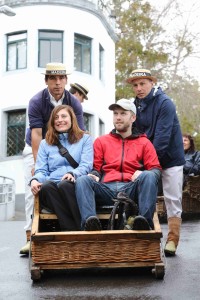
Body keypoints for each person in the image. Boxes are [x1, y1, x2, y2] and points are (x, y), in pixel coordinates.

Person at [20, 62, 85, 254]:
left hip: (65, 146)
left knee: (73, 181)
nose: (57, 83)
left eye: (61, 78)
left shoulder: (74, 102)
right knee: (32, 187)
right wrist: (37, 166)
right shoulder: (36, 101)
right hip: (37, 146)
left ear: (66, 80)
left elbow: (78, 133)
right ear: (46, 80)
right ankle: (30, 236)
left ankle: (74, 228)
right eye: (53, 78)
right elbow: (37, 135)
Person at [75, 99, 161, 231]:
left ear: (133, 117)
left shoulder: (144, 143)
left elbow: (156, 171)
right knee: (83, 180)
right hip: (105, 189)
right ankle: (89, 223)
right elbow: (96, 168)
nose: (118, 118)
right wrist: (94, 174)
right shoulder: (101, 141)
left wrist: (143, 173)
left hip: (130, 190)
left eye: (123, 113)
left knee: (149, 175)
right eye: (115, 114)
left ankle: (144, 222)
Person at [126, 68, 185, 256]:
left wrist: (147, 167)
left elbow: (162, 139)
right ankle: (142, 235)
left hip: (170, 158)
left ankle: (173, 239)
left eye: (142, 83)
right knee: (136, 188)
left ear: (152, 83)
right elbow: (134, 134)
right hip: (148, 158)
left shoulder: (165, 103)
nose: (139, 88)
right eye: (135, 85)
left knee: (172, 198)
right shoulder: (135, 105)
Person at [30, 105, 93, 231]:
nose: (60, 120)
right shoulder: (45, 143)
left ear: (72, 119)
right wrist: (35, 180)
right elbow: (41, 169)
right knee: (46, 186)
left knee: (65, 185)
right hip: (53, 187)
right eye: (56, 117)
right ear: (52, 122)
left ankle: (73, 230)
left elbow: (86, 165)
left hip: (74, 184)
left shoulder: (85, 139)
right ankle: (74, 230)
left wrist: (73, 173)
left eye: (64, 116)